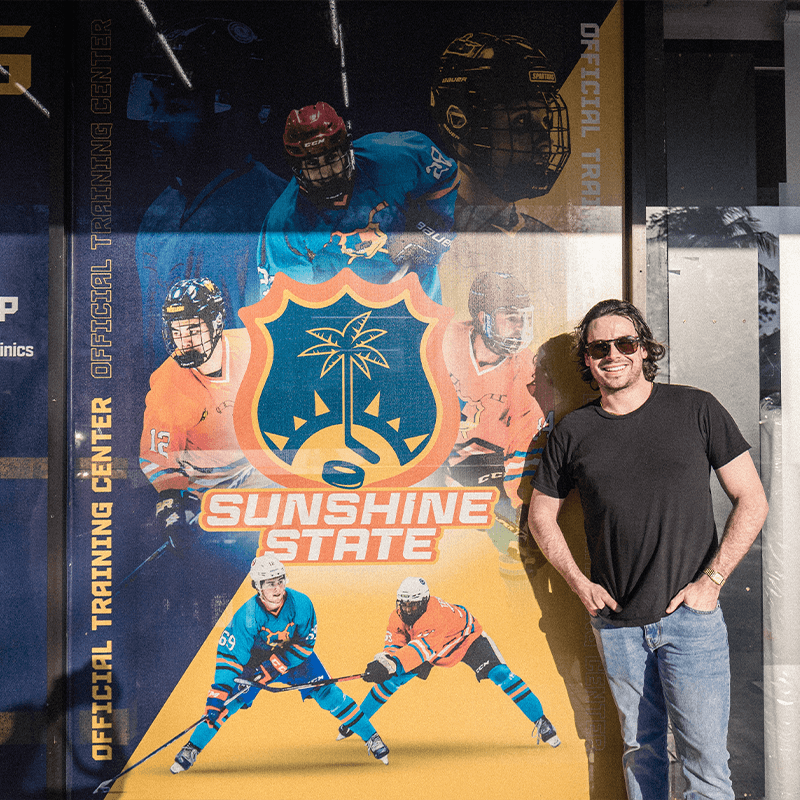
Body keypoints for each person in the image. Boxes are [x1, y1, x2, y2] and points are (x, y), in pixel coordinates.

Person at [527, 299, 769, 800]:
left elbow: (752, 499)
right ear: (587, 361)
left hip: (691, 621)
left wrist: (713, 582)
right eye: (599, 348)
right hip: (617, 628)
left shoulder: (696, 408)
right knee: (642, 755)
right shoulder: (574, 431)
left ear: (644, 350)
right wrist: (579, 584)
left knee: (706, 765)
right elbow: (540, 516)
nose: (613, 354)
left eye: (625, 343)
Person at [128, 18, 287, 370]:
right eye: (152, 105)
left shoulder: (278, 210)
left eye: (175, 107)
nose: (155, 124)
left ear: (227, 114)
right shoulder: (161, 210)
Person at [170, 553, 390, 772]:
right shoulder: (247, 615)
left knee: (328, 694)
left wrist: (273, 668)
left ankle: (372, 737)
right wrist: (218, 694)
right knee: (226, 704)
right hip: (255, 662)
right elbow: (230, 657)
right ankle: (192, 748)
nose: (276, 589)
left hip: (294, 657)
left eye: (279, 581)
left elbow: (305, 645)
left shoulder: (301, 603)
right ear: (258, 586)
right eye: (269, 583)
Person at [258, 101, 460, 303]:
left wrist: (427, 231)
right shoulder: (284, 225)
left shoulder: (395, 158)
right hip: (341, 316)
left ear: (347, 149)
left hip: (415, 299)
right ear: (297, 168)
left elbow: (447, 180)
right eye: (312, 164)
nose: (326, 173)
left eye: (332, 158)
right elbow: (289, 306)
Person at [336, 577, 560, 747]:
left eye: (413, 605)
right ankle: (358, 721)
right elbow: (396, 644)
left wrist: (392, 664)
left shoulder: (435, 616)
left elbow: (420, 650)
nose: (407, 609)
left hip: (465, 641)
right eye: (404, 604)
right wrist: (384, 663)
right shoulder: (397, 615)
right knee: (390, 681)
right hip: (429, 646)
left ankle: (540, 720)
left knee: (501, 674)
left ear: (424, 602)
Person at [139, 278, 272, 544]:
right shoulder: (168, 385)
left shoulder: (254, 349)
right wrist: (173, 508)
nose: (184, 342)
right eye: (177, 332)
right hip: (209, 494)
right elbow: (158, 459)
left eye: (192, 330)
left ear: (216, 324)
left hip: (261, 473)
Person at [430, 32, 570, 234]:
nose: (545, 142)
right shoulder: (422, 229)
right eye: (521, 121)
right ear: (459, 122)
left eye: (546, 121)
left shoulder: (546, 238)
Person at [443, 271, 552, 519]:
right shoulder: (443, 340)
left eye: (524, 319)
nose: (519, 328)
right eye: (511, 318)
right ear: (482, 318)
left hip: (483, 464)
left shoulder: (526, 371)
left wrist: (513, 506)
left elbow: (524, 440)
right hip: (431, 452)